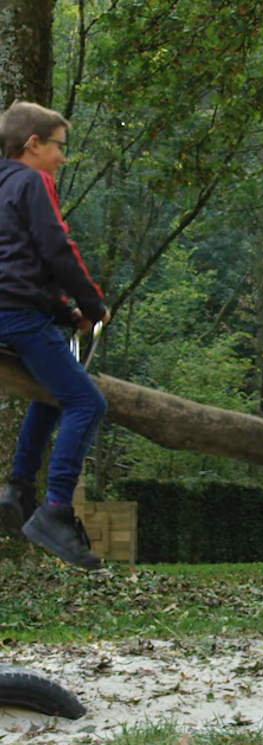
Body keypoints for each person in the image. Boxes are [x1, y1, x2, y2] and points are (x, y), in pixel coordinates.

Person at [0, 100, 110, 570]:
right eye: (59, 148)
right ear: (33, 145)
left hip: (11, 312)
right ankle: (56, 511)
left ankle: (18, 489)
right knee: (88, 403)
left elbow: (16, 261)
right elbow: (56, 249)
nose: (63, 159)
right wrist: (91, 304)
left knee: (49, 395)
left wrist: (64, 315)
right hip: (19, 317)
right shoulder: (33, 181)